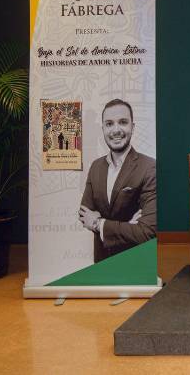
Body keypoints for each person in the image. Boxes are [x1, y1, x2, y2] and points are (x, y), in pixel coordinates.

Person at [79, 99, 157, 263]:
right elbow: (85, 215)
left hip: (134, 261)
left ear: (132, 127)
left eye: (123, 122)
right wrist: (129, 225)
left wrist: (100, 224)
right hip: (101, 260)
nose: (116, 130)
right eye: (109, 124)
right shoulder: (96, 167)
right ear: (103, 129)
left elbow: (146, 231)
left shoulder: (149, 168)